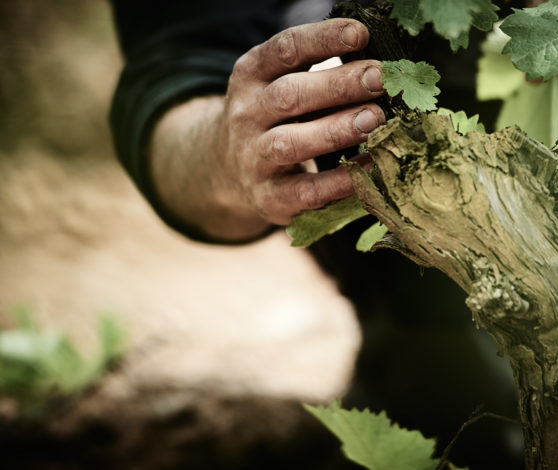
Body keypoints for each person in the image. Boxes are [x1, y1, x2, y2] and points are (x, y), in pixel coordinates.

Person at [109, 1, 522, 468]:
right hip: (421, 314)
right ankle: (425, 351)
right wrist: (230, 154)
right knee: (318, 19)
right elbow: (176, 64)